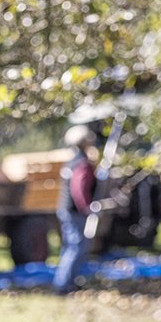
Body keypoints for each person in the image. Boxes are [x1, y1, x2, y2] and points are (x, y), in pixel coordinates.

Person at [54, 123, 101, 292]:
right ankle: (64, 285)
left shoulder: (70, 161)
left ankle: (67, 280)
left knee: (69, 246)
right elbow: (78, 188)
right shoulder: (82, 163)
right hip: (74, 211)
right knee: (77, 246)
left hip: (64, 208)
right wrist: (86, 207)